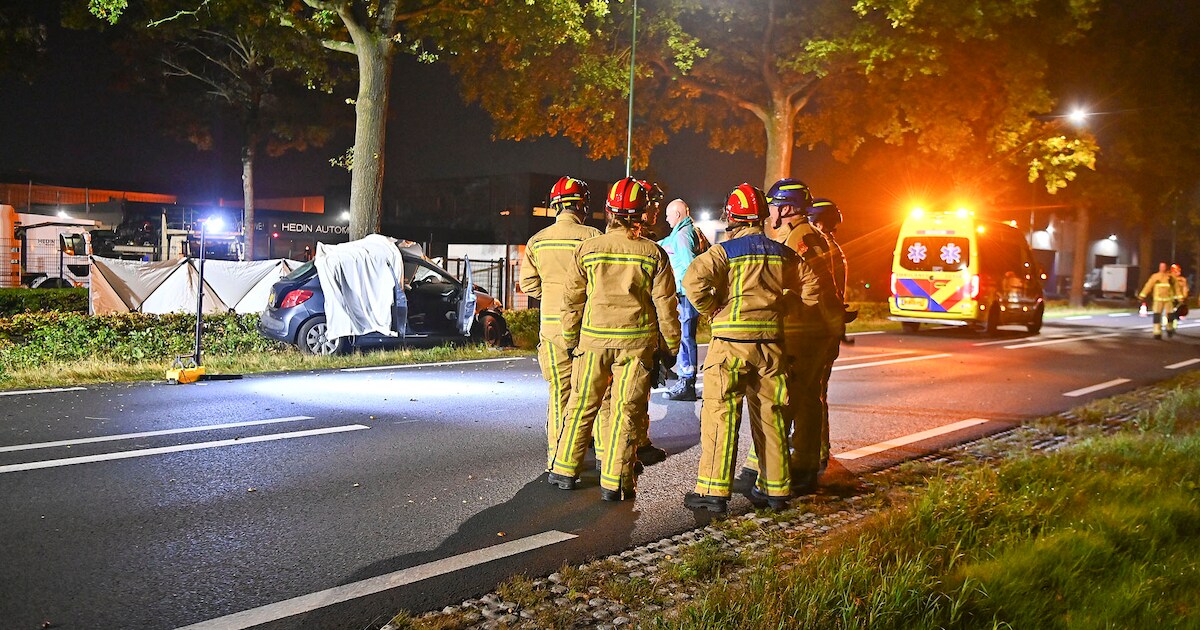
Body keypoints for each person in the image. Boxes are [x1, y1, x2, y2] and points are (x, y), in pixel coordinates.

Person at [548, 177, 681, 501]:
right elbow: (666, 306)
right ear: (640, 214)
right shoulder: (653, 254)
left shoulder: (588, 249)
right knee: (625, 410)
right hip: (636, 345)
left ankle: (564, 470)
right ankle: (616, 483)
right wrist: (671, 347)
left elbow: (572, 300)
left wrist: (570, 339)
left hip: (592, 342)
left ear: (608, 211)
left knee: (581, 405)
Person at [682, 184, 808, 514]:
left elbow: (692, 280)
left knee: (720, 416)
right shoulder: (783, 252)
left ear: (733, 216)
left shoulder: (724, 252)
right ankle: (776, 491)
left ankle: (713, 492)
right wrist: (786, 305)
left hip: (730, 347)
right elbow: (811, 286)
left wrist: (712, 308)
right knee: (772, 416)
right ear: (763, 216)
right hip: (771, 347)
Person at [743, 183, 845, 495]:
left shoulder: (801, 237)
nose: (769, 212)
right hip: (807, 331)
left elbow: (818, 283)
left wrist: (824, 323)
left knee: (791, 399)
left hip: (805, 333)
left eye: (773, 205)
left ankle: (785, 468)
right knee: (803, 399)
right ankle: (798, 464)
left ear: (786, 209)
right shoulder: (798, 234)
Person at [519, 176, 601, 471]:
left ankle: (557, 459)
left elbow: (527, 283)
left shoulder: (536, 241)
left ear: (554, 206)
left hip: (552, 329)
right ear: (582, 205)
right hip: (587, 329)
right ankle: (605, 460)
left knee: (559, 395)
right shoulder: (592, 236)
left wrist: (551, 296)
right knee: (595, 394)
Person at [659, 199, 709, 401]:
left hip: (686, 295)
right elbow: (665, 244)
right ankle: (686, 380)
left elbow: (690, 269)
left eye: (668, 214)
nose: (666, 218)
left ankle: (686, 383)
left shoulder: (682, 235)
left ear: (677, 215)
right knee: (687, 337)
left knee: (685, 339)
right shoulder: (691, 231)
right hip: (689, 295)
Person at [1138, 262, 1180, 339]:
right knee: (1157, 316)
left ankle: (1169, 328)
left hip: (1169, 300)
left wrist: (1180, 297)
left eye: (1163, 267)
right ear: (1159, 267)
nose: (1162, 268)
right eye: (1161, 267)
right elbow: (1148, 286)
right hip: (1158, 300)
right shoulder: (1155, 277)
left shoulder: (1170, 277)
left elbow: (1176, 287)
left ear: (1166, 267)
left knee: (1170, 316)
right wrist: (1142, 295)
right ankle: (1157, 332)